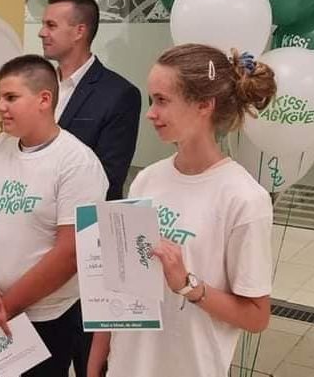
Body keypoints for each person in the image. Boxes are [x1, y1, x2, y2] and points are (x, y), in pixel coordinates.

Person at [87, 44, 276, 377]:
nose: (150, 113)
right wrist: (97, 357)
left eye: (162, 100)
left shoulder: (244, 199)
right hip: (127, 365)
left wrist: (187, 285)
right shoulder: (147, 180)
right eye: (151, 100)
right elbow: (120, 283)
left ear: (204, 105)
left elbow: (256, 316)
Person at [0, 55, 107, 377]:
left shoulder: (77, 163)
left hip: (43, 318)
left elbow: (70, 253)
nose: (0, 107)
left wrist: (5, 306)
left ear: (44, 99)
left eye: (11, 97)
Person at [39, 0, 141, 200]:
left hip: (78, 213)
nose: (41, 33)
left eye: (51, 25)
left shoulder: (119, 94)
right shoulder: (38, 85)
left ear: (79, 31)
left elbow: (109, 178)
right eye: (43, 24)